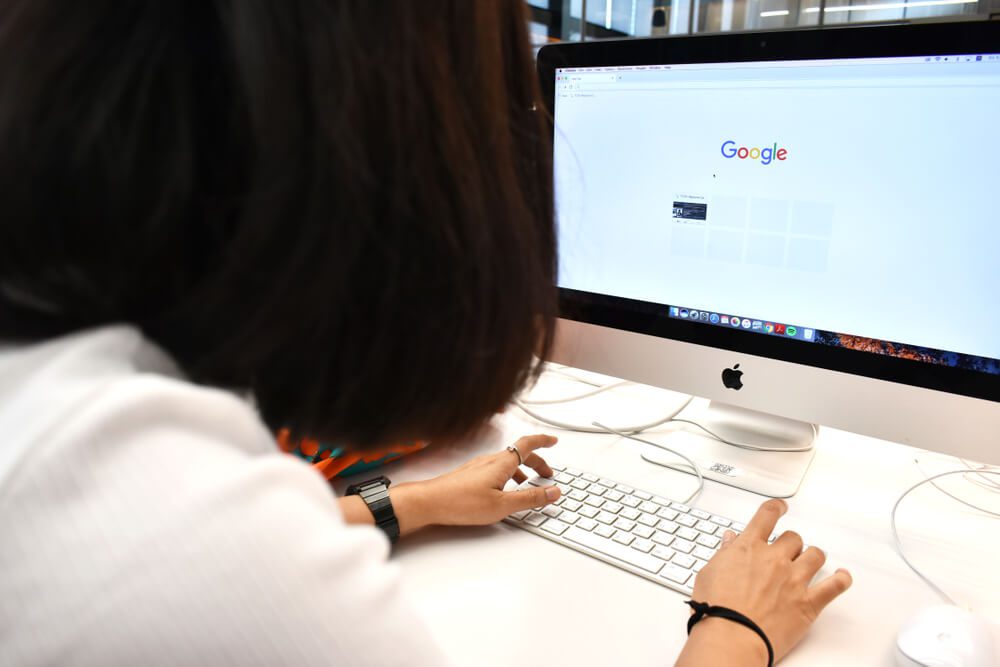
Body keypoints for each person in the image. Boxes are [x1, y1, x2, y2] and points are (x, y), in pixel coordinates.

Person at [0, 1, 851, 665]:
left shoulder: (57, 388)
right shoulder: (183, 528)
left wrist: (406, 502)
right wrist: (735, 630)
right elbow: (215, 566)